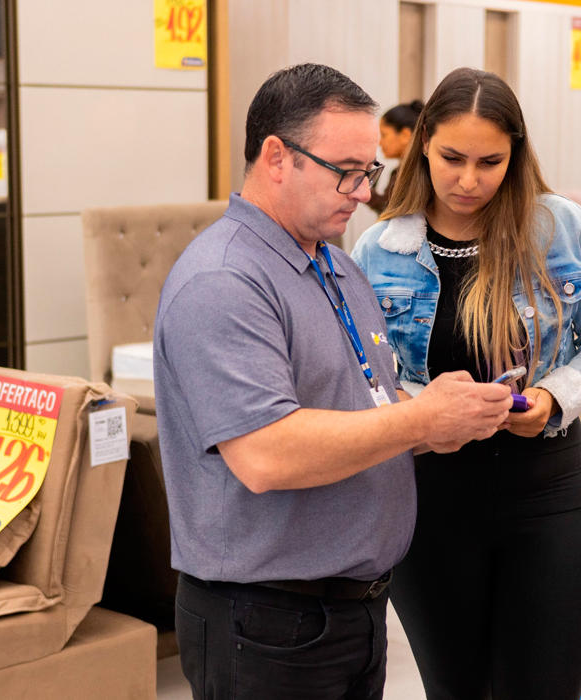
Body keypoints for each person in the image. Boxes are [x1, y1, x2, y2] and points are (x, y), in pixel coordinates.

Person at [153, 63, 514, 700]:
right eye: (344, 170)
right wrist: (421, 420)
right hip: (263, 621)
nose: (362, 191)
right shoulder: (225, 281)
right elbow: (264, 452)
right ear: (276, 157)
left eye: (369, 171)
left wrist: (441, 419)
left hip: (354, 610)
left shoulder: (336, 265)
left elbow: (368, 403)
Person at [352, 67, 581, 700]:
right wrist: (418, 410)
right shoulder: (378, 250)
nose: (469, 180)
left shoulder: (561, 229)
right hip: (430, 505)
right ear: (422, 143)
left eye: (491, 161)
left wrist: (554, 397)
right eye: (453, 158)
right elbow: (366, 377)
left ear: (517, 154)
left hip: (550, 494)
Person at [367, 100, 424, 214]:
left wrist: (367, 192)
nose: (380, 142)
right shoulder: (405, 170)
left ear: (404, 135)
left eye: (384, 134)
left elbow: (392, 212)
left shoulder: (414, 173)